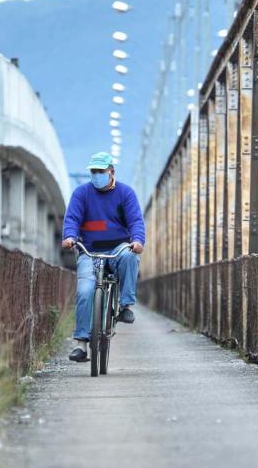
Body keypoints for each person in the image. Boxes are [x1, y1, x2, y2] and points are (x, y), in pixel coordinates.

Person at [61, 151, 146, 362]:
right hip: (90, 251)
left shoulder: (125, 193)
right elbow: (72, 219)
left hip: (118, 249)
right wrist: (69, 237)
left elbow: (136, 221)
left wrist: (137, 241)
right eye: (93, 171)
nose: (96, 175)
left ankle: (125, 306)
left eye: (100, 171)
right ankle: (81, 344)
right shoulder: (82, 194)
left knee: (130, 257)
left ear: (111, 172)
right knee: (85, 291)